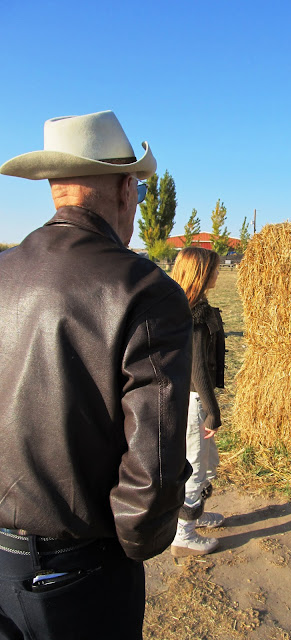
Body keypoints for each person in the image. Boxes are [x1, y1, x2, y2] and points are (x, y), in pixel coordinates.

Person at [0, 110, 193, 639]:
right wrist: (131, 545)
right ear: (127, 189)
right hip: (82, 574)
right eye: (139, 190)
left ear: (55, 187)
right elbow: (153, 470)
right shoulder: (146, 290)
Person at [169, 247, 226, 557]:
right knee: (194, 466)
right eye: (214, 269)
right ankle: (184, 535)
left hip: (191, 399)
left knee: (205, 461)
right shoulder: (196, 315)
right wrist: (212, 411)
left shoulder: (182, 307)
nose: (218, 273)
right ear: (201, 274)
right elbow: (198, 369)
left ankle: (195, 515)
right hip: (195, 402)